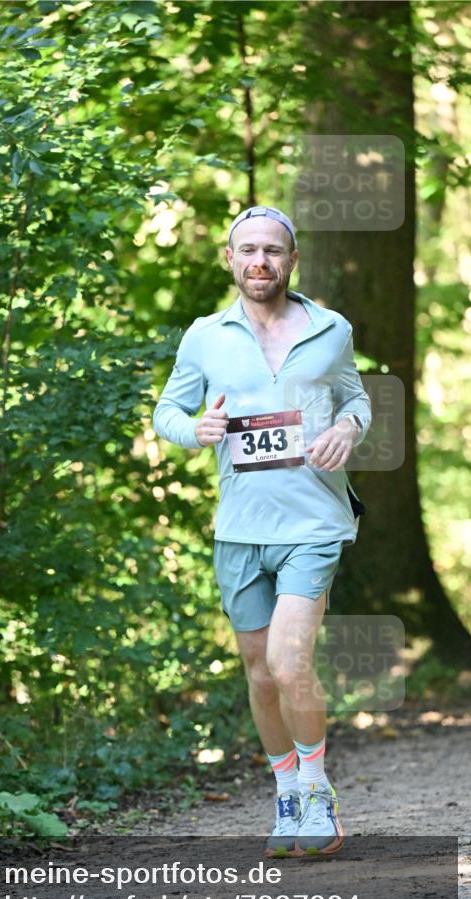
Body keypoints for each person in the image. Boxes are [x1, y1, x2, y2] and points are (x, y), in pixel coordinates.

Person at [152, 205, 371, 858]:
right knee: (259, 673)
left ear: (291, 259)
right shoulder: (204, 336)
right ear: (228, 258)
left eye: (272, 251)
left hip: (314, 522)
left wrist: (344, 428)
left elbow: (355, 398)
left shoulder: (330, 329)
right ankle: (284, 799)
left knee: (287, 661)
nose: (259, 262)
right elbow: (167, 409)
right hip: (239, 530)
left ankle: (314, 790)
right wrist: (195, 430)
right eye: (246, 250)